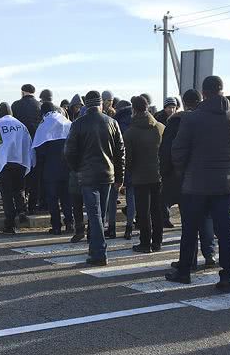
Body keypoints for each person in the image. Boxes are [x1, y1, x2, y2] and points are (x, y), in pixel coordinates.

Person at [165, 76, 230, 291]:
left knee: (190, 229)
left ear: (203, 93)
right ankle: (226, 276)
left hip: (196, 183)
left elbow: (178, 150)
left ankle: (184, 271)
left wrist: (185, 173)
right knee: (224, 231)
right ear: (222, 90)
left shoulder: (192, 119)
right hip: (223, 184)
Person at [64, 91, 125, 266]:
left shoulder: (78, 124)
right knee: (100, 214)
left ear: (86, 105)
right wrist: (120, 177)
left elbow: (69, 152)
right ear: (100, 104)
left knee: (95, 214)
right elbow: (121, 152)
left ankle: (99, 252)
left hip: (87, 175)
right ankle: (96, 248)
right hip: (107, 174)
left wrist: (77, 168)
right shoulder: (112, 123)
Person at [162, 90, 217, 269]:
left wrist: (167, 173)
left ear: (184, 103)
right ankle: (210, 255)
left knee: (190, 220)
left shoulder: (177, 121)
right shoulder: (210, 119)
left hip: (185, 177)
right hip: (208, 175)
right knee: (206, 217)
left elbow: (167, 151)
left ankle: (189, 259)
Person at [124, 95, 165, 253]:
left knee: (143, 211)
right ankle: (158, 242)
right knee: (157, 210)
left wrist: (129, 171)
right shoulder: (160, 127)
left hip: (140, 176)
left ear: (134, 110)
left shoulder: (130, 132)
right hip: (158, 174)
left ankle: (145, 243)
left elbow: (128, 158)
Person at [0, 103, 34, 234]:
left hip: (4, 164)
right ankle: (22, 211)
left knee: (6, 194)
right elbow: (27, 143)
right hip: (19, 162)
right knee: (19, 189)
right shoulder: (21, 125)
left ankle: (10, 223)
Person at [34, 102, 73, 235]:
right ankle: (70, 224)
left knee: (53, 199)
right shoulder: (68, 123)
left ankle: (56, 226)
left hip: (50, 170)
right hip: (67, 168)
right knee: (67, 198)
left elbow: (39, 151)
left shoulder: (43, 126)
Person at [12, 84, 42, 213]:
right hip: (36, 143)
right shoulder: (39, 106)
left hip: (21, 145)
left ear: (22, 92)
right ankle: (32, 205)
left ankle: (21, 205)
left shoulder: (16, 105)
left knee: (20, 177)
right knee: (35, 177)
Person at [113, 99, 136, 239]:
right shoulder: (136, 121)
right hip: (135, 164)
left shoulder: (115, 122)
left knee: (113, 197)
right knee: (131, 197)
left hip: (117, 163)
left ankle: (111, 228)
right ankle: (129, 227)